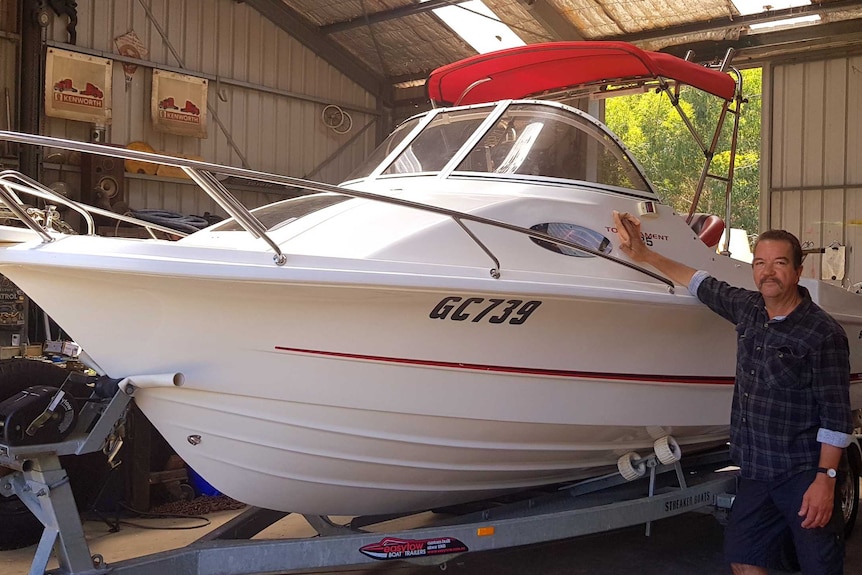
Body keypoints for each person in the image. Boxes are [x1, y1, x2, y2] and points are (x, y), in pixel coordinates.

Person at [612, 210, 853, 575]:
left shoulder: (823, 333)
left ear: (798, 271)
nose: (767, 272)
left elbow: (836, 415)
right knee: (744, 561)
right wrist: (645, 255)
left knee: (819, 567)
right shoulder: (749, 308)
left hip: (802, 473)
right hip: (757, 470)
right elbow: (701, 283)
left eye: (779, 263)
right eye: (760, 263)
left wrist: (826, 479)